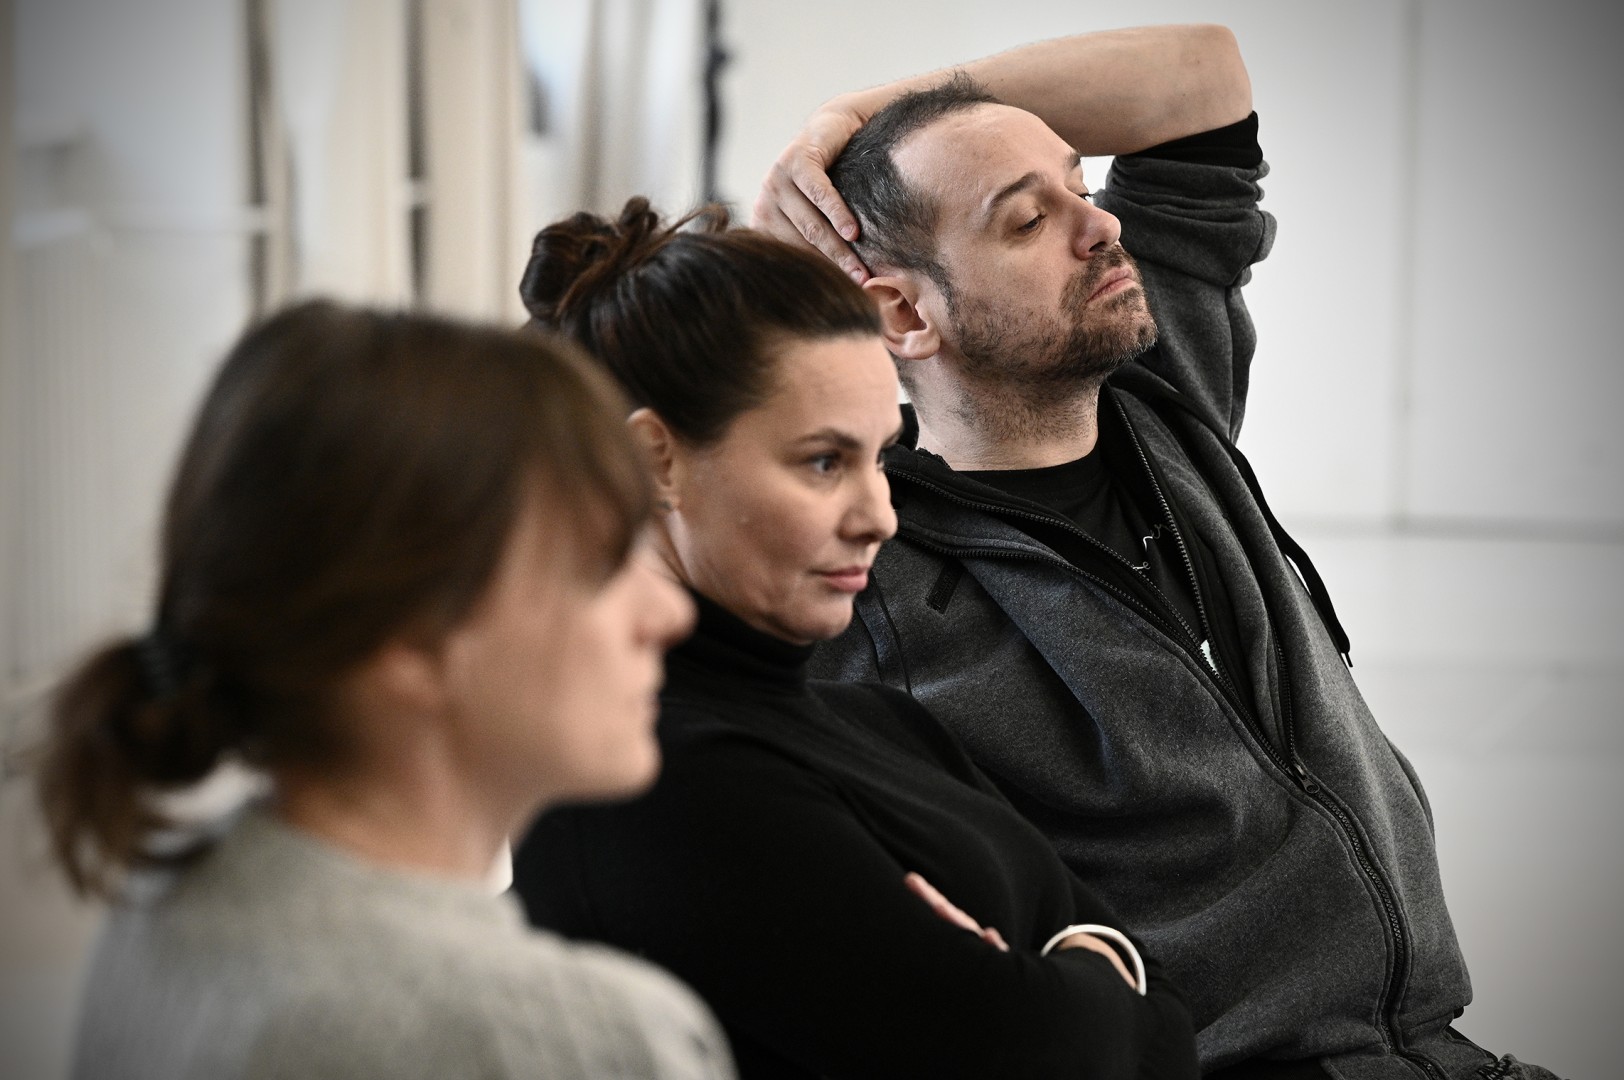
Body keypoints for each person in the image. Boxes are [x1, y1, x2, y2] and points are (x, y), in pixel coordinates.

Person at [752, 23, 1561, 1080]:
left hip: (1435, 1051)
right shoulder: (876, 583)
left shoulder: (1160, 402)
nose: (1098, 227)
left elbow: (1198, 76)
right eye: (1028, 219)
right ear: (905, 310)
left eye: (1078, 185)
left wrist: (853, 116)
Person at [513, 198, 1200, 1079]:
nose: (880, 516)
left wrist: (1069, 977)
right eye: (823, 462)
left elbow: (1168, 1022)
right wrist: (1090, 967)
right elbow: (1039, 1054)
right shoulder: (652, 780)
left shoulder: (885, 724)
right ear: (657, 462)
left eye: (880, 457)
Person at [33, 300, 734, 1080]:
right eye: (601, 567)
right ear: (413, 640)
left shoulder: (160, 912)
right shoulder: (578, 1041)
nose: (668, 614)